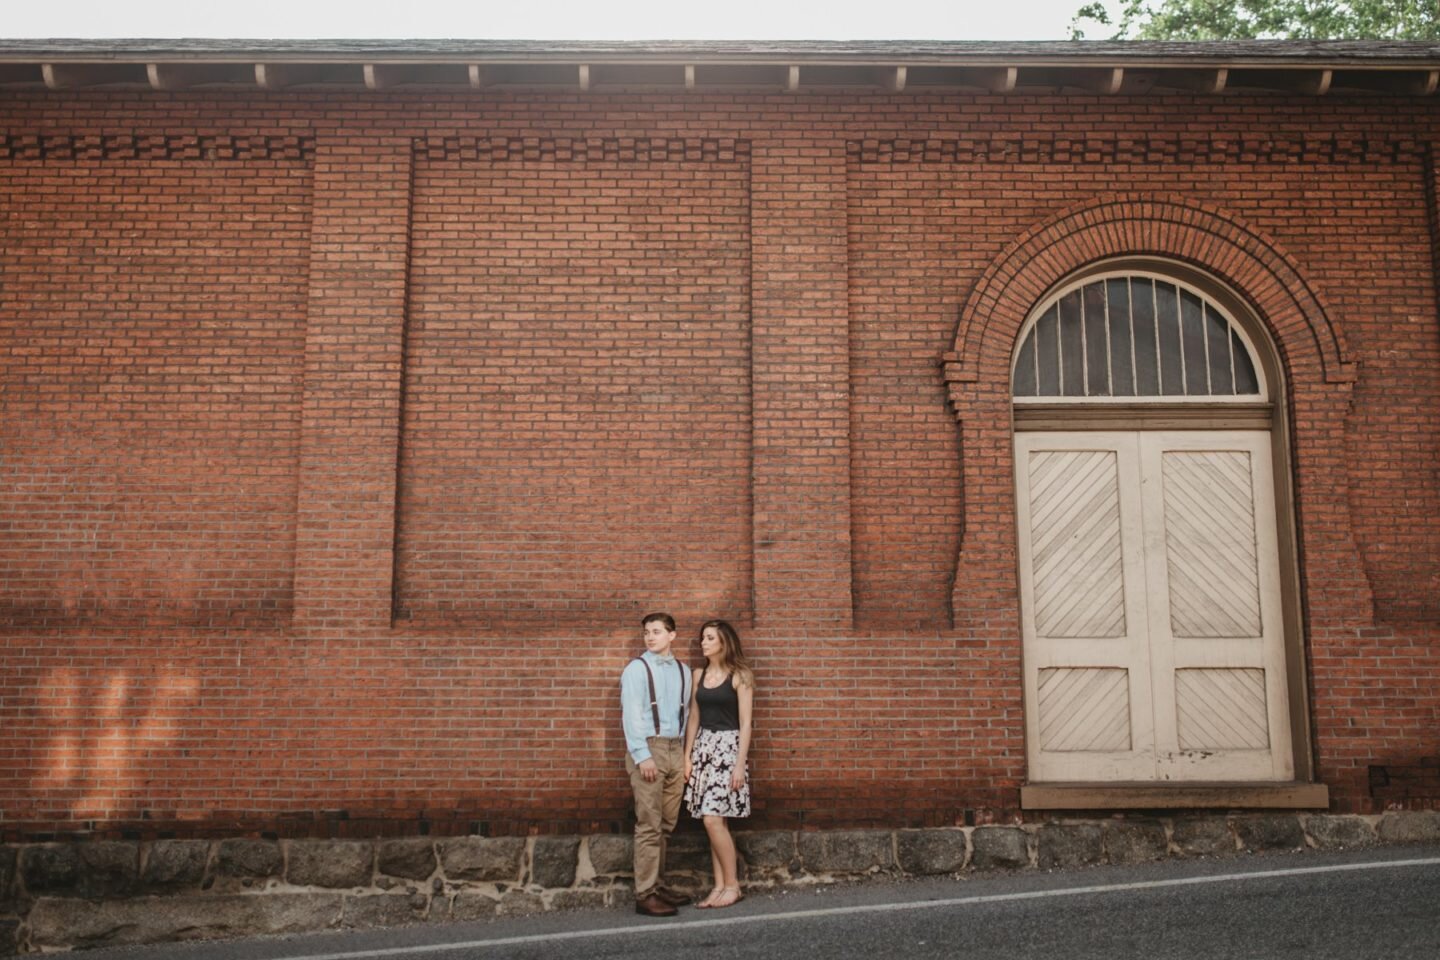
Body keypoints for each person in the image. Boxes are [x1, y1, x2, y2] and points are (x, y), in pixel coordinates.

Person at [620, 612, 694, 917]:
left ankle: (658, 886)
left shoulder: (684, 670)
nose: (650, 637)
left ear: (672, 635)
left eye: (657, 631)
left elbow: (686, 713)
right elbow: (631, 714)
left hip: (675, 749)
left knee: (666, 824)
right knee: (649, 825)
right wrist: (642, 754)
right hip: (649, 748)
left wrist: (684, 756)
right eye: (647, 632)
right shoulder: (636, 670)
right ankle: (645, 894)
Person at [682, 619, 754, 909]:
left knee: (713, 819)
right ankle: (719, 886)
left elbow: (747, 723)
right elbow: (694, 718)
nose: (703, 642)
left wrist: (739, 765)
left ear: (724, 642)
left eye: (709, 638)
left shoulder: (740, 675)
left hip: (728, 749)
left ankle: (733, 885)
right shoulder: (698, 675)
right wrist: (688, 756)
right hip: (703, 748)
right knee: (712, 821)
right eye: (702, 637)